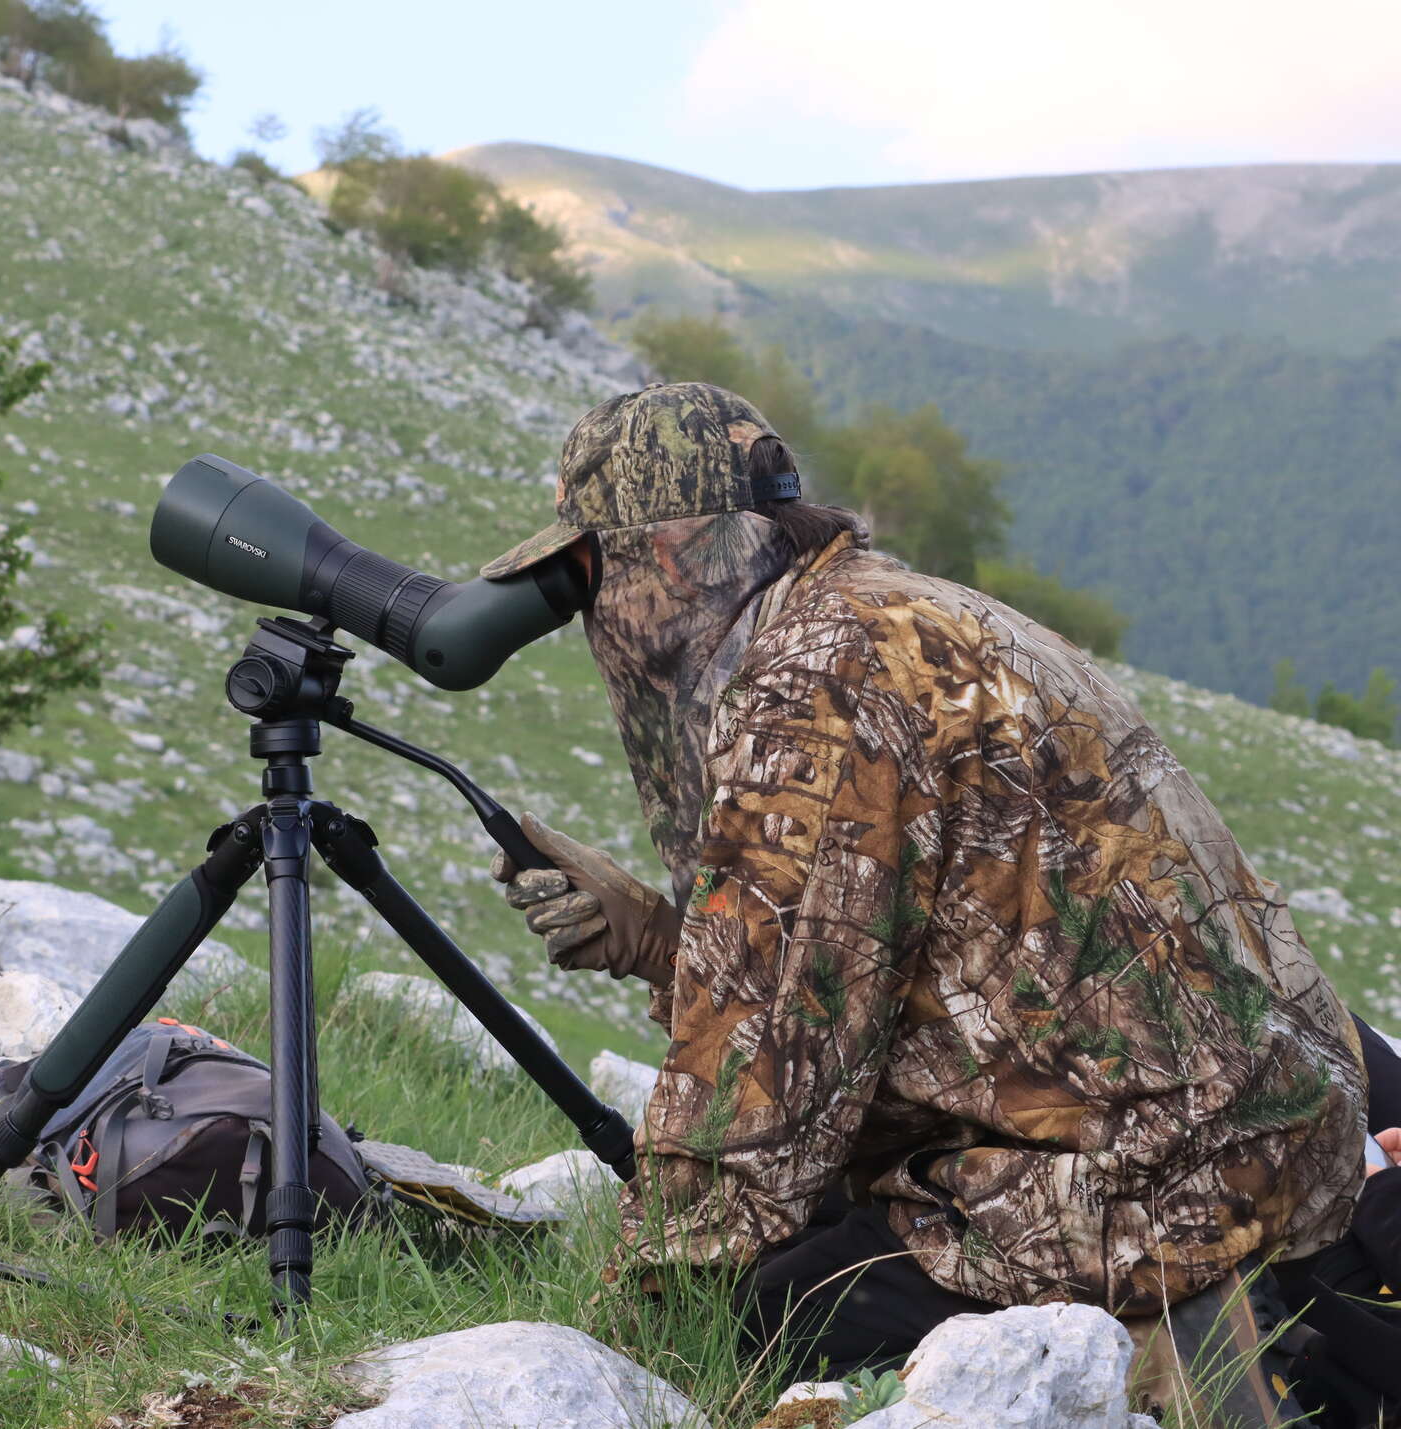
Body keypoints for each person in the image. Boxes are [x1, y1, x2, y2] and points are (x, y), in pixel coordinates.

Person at [486, 382, 1367, 1423]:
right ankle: (1223, 1317)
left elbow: (755, 1094)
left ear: (668, 556)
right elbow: (869, 965)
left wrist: (619, 1337)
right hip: (1246, 1125)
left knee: (764, 1318)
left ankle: (1162, 1328)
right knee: (816, 1242)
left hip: (1141, 1175)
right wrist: (652, 938)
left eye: (596, 571)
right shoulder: (886, 613)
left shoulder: (813, 689)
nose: (596, 612)